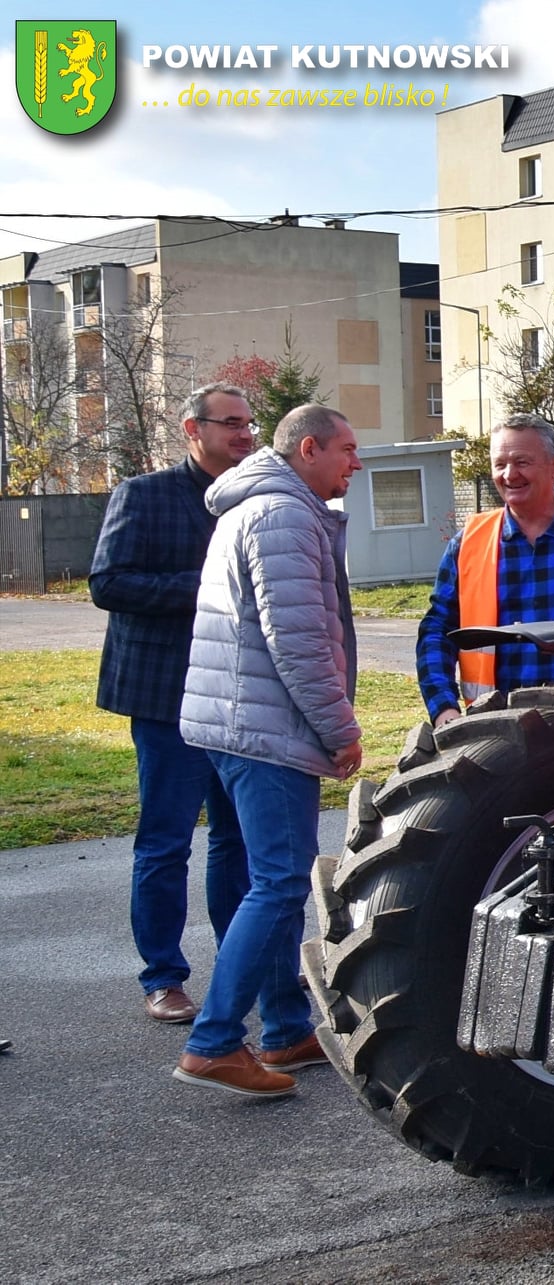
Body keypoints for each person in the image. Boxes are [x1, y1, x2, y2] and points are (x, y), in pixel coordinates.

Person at [173, 404, 363, 1098]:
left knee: (273, 877)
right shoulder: (281, 517)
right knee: (281, 880)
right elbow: (299, 643)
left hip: (236, 720)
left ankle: (285, 1027)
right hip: (265, 727)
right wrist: (339, 729)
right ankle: (214, 1041)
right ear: (307, 447)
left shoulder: (258, 506)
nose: (356, 462)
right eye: (346, 448)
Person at [89, 382, 257, 1024]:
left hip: (239, 700)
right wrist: (208, 590)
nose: (245, 435)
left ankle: (235, 969)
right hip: (165, 699)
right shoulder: (145, 494)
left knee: (236, 843)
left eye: (249, 424)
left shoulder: (251, 500)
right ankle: (163, 977)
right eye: (231, 424)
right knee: (165, 843)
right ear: (194, 429)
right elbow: (108, 583)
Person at [416, 413, 554, 729]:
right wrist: (443, 709)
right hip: (497, 730)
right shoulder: (468, 544)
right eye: (500, 464)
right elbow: (437, 631)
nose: (509, 474)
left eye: (522, 462)